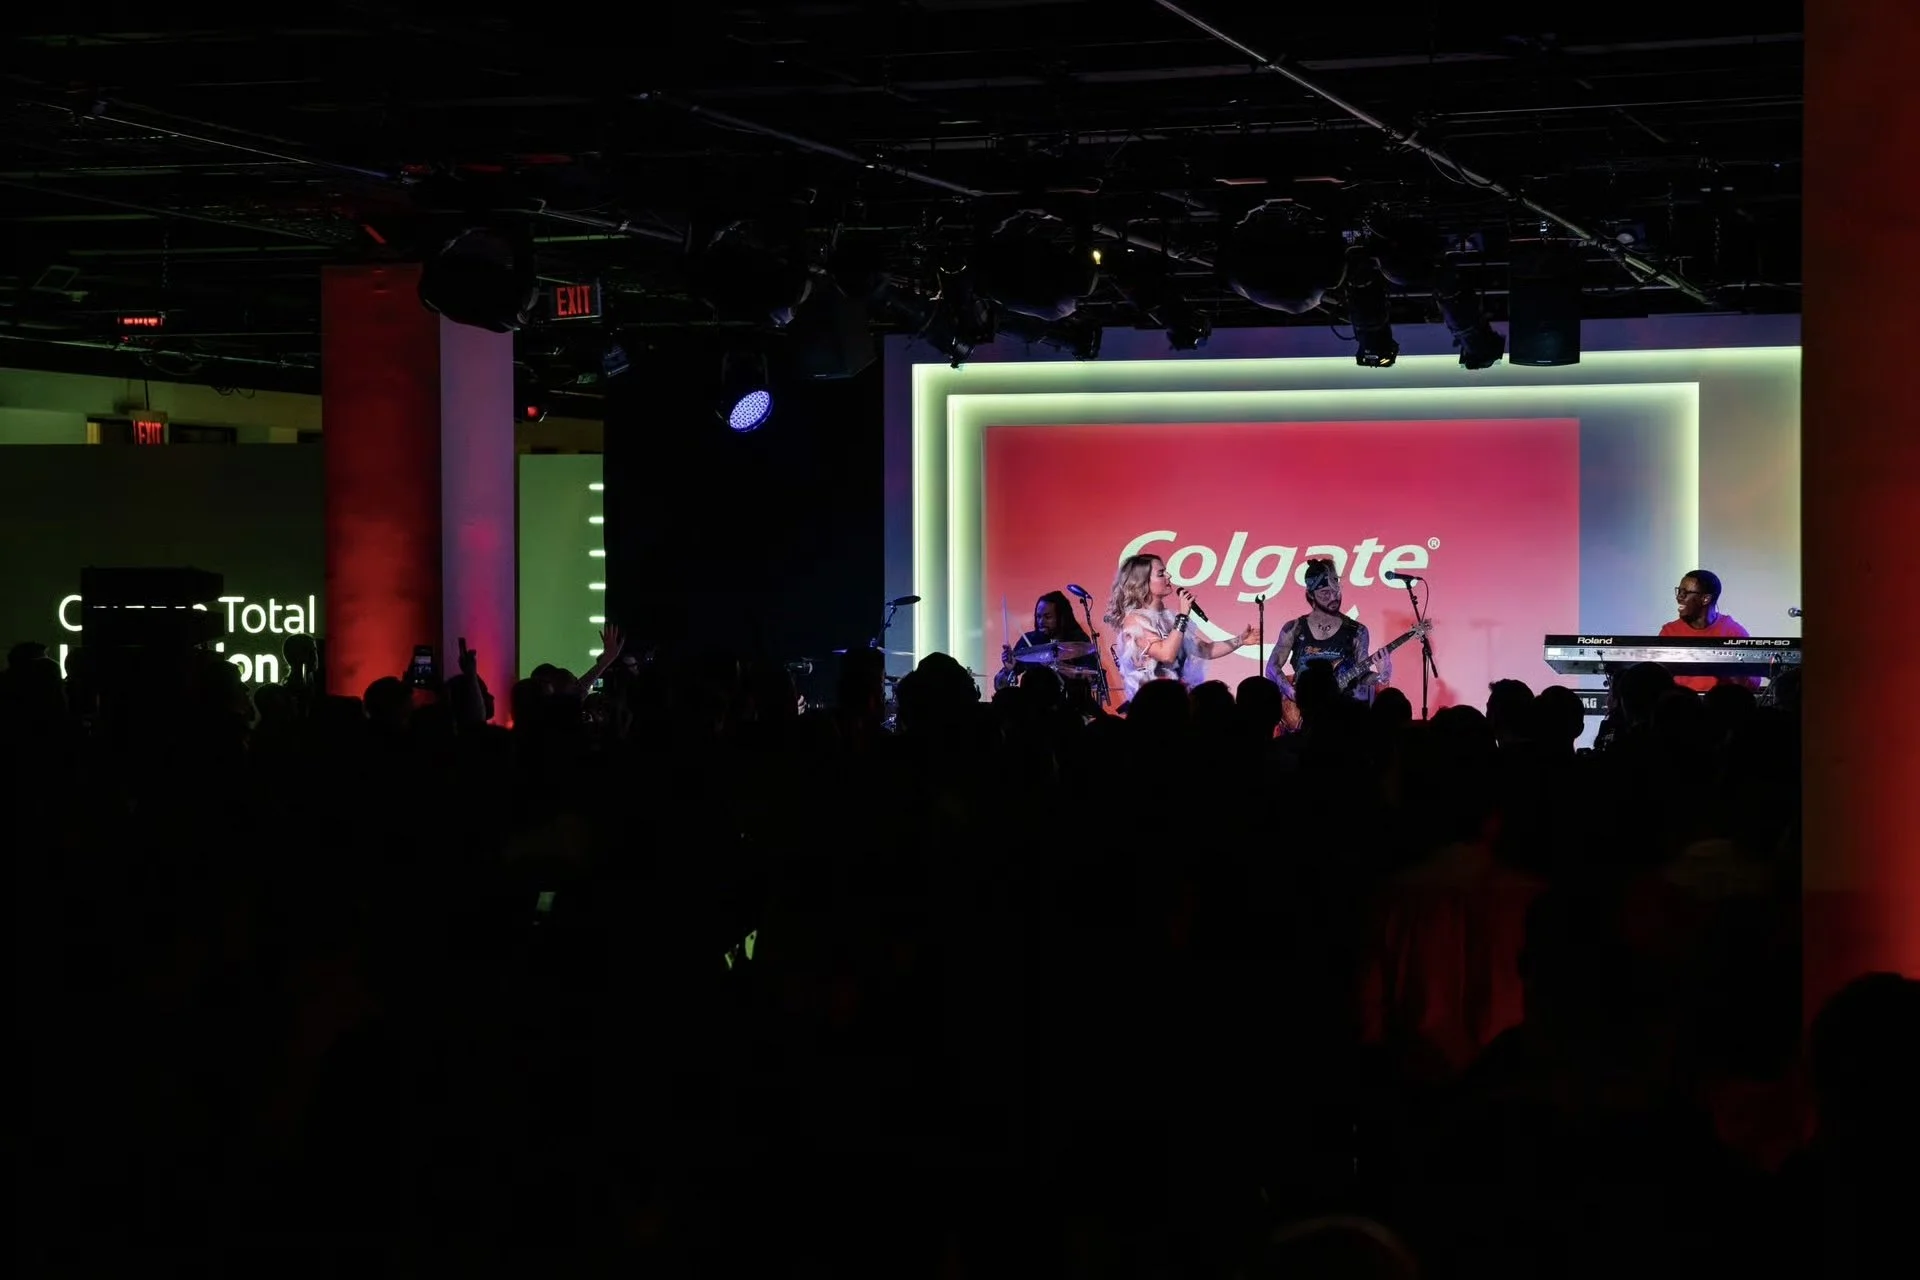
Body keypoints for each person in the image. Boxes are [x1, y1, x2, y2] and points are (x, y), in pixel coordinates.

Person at [1104, 553, 1258, 702]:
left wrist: (1240, 640)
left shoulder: (1170, 618)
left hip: (1178, 700)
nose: (1169, 576)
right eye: (1161, 574)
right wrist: (1182, 616)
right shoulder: (1135, 621)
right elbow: (1166, 655)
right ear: (1143, 582)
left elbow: (1204, 649)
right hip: (1154, 704)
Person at [1263, 557, 1390, 710]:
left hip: (1343, 712)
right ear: (1310, 594)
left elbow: (1362, 676)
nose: (1333, 597)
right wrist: (1291, 692)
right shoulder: (1295, 628)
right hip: (1305, 714)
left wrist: (1383, 675)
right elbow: (1271, 667)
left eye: (1336, 591)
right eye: (1325, 592)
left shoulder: (1357, 631)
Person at [1659, 569, 1761, 693]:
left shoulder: (1733, 631)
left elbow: (1753, 684)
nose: (1679, 597)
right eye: (1679, 591)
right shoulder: (1669, 631)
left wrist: (1732, 672)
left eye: (1685, 592)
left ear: (1705, 599)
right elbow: (1658, 681)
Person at [995, 590, 1097, 692]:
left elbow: (1092, 677)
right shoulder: (1029, 640)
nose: (1041, 621)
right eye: (1038, 616)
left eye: (1047, 617)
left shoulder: (1078, 640)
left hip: (1068, 700)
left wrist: (1059, 666)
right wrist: (1008, 671)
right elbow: (999, 686)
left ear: (1061, 618)